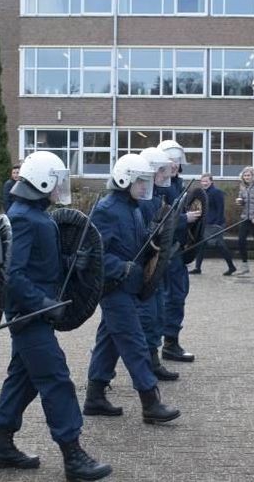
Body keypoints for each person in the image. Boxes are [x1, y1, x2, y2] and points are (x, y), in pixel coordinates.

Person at [0, 151, 111, 480]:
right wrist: (43, 303)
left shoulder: (34, 213)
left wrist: (73, 261)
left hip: (36, 314)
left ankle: (1, 444)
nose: (59, 188)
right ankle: (73, 455)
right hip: (30, 318)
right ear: (42, 181)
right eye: (56, 182)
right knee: (56, 380)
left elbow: (40, 265)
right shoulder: (25, 217)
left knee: (23, 379)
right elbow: (13, 276)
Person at [83, 154, 180, 425]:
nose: (144, 186)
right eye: (140, 181)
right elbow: (94, 252)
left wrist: (153, 244)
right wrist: (121, 268)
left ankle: (95, 396)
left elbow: (136, 244)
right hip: (114, 287)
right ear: (125, 179)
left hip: (128, 286)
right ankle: (150, 402)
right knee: (133, 341)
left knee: (109, 340)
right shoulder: (106, 208)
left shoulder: (133, 207)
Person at [136, 147, 181, 381]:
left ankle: (152, 362)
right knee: (144, 318)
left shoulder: (154, 197)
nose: (166, 175)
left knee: (156, 314)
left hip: (157, 266)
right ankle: (145, 367)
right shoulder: (142, 202)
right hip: (143, 270)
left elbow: (173, 208)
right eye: (163, 171)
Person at [157, 139, 200, 364]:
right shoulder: (159, 185)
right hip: (164, 252)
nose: (174, 165)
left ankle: (171, 342)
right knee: (166, 297)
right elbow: (160, 217)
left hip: (177, 251)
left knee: (177, 295)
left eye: (177, 162)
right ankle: (159, 346)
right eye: (170, 161)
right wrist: (185, 219)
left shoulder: (176, 184)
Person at [193, 173, 239, 277]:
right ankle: (197, 267)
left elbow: (220, 209)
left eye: (206, 181)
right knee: (201, 245)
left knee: (220, 245)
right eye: (202, 181)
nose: (204, 183)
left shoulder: (216, 192)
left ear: (211, 181)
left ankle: (231, 266)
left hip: (215, 223)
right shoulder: (202, 193)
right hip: (205, 223)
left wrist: (217, 224)